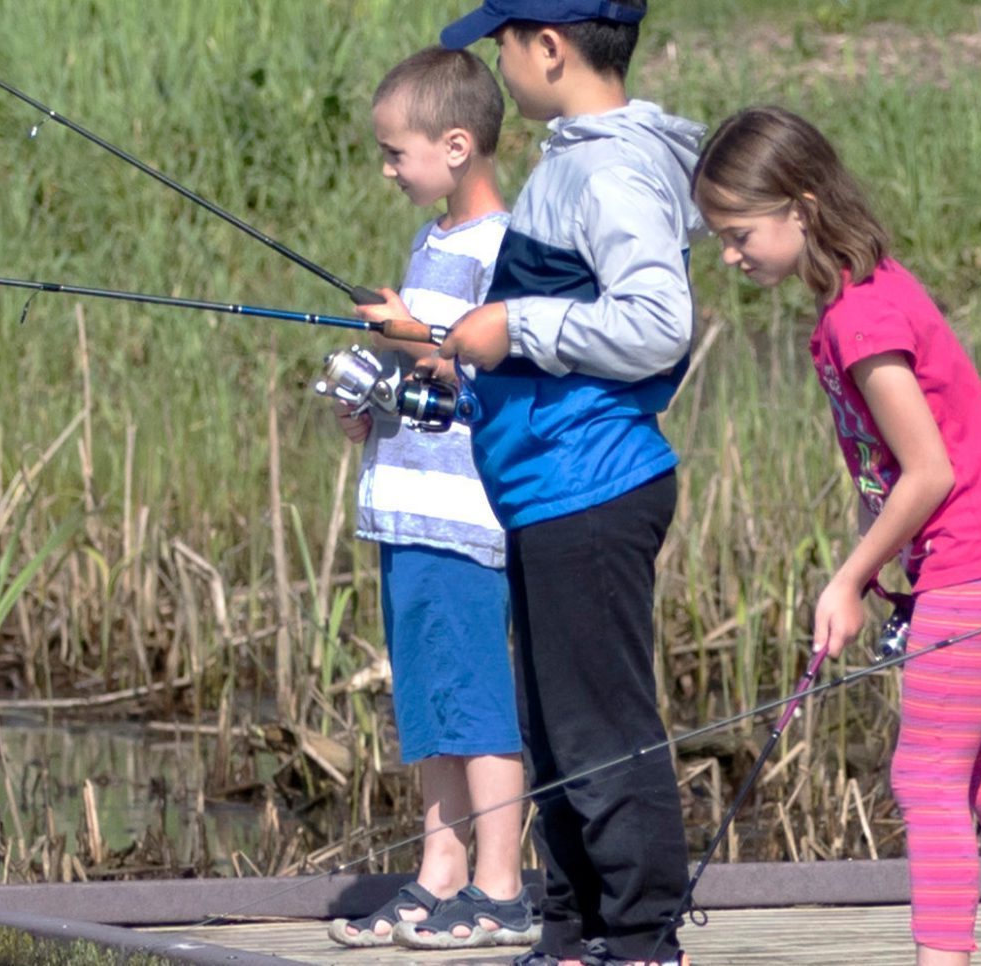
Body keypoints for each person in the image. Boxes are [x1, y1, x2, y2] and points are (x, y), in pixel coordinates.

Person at [357, 2, 703, 963]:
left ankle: (639, 938)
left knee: (603, 732)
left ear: (548, 49)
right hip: (549, 486)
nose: (499, 59)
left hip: (591, 485)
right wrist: (455, 362)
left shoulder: (610, 168)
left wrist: (513, 330)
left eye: (503, 41)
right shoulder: (576, 157)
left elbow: (657, 322)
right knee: (555, 736)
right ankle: (572, 929)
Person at [694, 105, 981, 966]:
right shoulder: (864, 292)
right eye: (719, 237)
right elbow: (894, 477)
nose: (730, 255)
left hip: (978, 563)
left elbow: (928, 470)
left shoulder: (860, 320)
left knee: (926, 778)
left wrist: (847, 579)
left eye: (740, 232)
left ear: (803, 205)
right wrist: (879, 575)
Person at [322, 45, 537, 952]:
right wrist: (369, 389)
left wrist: (414, 337)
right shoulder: (431, 242)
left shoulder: (509, 247)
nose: (386, 167)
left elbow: (485, 363)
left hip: (463, 519)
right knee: (430, 701)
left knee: (478, 701)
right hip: (405, 509)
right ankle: (438, 873)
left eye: (396, 151)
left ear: (456, 146)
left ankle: (502, 885)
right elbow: (431, 377)